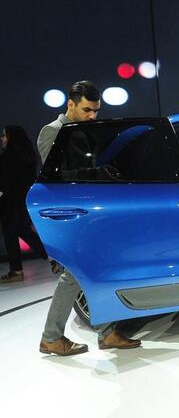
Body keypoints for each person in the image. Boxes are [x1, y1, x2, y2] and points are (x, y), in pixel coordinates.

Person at [37, 80, 141, 356]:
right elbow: (56, 179)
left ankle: (104, 333)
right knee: (74, 274)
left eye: (96, 111)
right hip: (71, 216)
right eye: (87, 110)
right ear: (70, 104)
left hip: (89, 215)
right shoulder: (53, 132)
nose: (93, 116)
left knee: (90, 271)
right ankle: (54, 337)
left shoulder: (83, 131)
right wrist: (98, 174)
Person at [0, 125, 47, 283]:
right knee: (23, 230)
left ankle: (16, 270)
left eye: (5, 136)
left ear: (12, 137)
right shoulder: (28, 156)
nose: (2, 139)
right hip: (25, 200)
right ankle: (53, 258)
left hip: (11, 202)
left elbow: (4, 183)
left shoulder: (8, 157)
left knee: (10, 232)